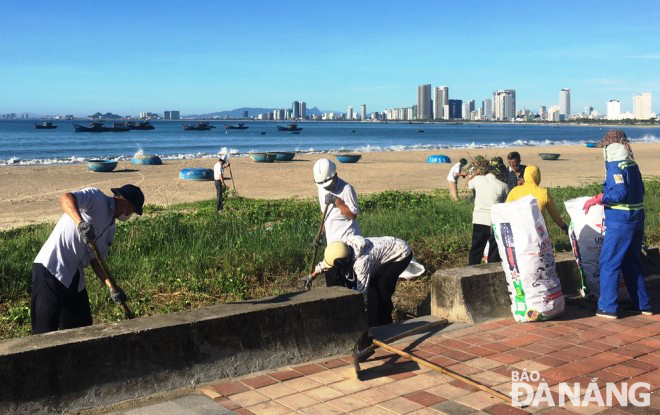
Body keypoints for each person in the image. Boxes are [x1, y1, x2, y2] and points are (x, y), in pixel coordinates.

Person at [31, 185, 144, 334]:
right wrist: (81, 223)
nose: (130, 215)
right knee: (44, 330)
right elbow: (66, 198)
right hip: (51, 267)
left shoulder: (110, 229)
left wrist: (112, 287)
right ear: (127, 204)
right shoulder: (96, 198)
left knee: (81, 327)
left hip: (74, 275)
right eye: (132, 211)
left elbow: (96, 261)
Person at [583, 130, 652, 319]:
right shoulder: (632, 164)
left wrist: (598, 198)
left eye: (604, 148)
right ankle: (642, 304)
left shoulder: (615, 166)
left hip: (621, 220)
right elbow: (640, 190)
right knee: (632, 262)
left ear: (610, 148)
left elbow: (619, 193)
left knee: (609, 262)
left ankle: (607, 307)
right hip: (637, 216)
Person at [310, 236, 412, 327]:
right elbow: (327, 263)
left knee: (381, 287)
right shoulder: (342, 249)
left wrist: (353, 312)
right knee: (374, 288)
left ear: (342, 262)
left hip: (401, 254)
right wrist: (311, 276)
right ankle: (373, 321)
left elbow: (362, 292)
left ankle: (384, 325)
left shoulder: (360, 263)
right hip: (385, 252)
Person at [466, 162, 508, 265]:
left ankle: (472, 268)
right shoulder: (504, 186)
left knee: (477, 247)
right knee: (494, 248)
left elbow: (468, 184)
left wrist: (476, 174)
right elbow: (505, 202)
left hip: (479, 218)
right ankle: (492, 269)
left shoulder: (478, 180)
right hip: (494, 219)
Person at [506, 165, 569, 233]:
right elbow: (555, 216)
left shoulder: (514, 191)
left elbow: (505, 211)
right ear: (537, 176)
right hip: (540, 234)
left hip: (520, 233)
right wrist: (564, 227)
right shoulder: (543, 192)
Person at [312, 158, 361, 244]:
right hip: (332, 240)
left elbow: (353, 216)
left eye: (328, 185)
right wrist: (321, 233)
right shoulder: (321, 187)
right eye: (324, 186)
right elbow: (326, 215)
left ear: (335, 175)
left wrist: (337, 201)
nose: (327, 188)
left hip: (348, 239)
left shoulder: (346, 189)